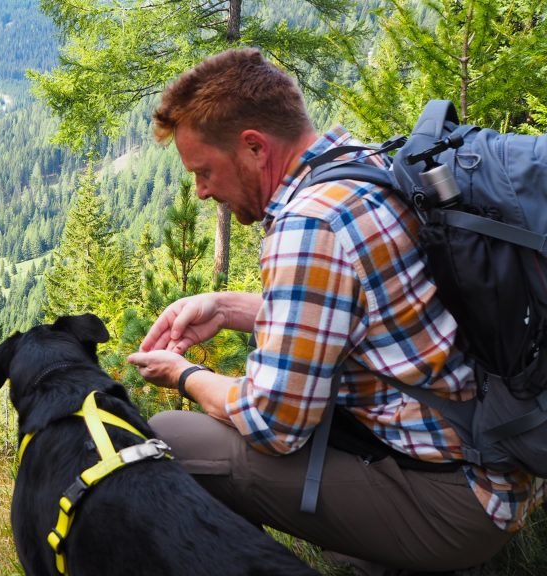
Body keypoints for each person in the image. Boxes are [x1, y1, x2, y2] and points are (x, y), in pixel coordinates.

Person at [125, 47, 545, 575]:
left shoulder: (309, 226)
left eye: (204, 171)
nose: (202, 190)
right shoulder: (364, 164)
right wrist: (226, 307)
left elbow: (272, 422)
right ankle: (367, 545)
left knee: (174, 439)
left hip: (458, 504)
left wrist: (185, 375)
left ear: (254, 146)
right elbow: (363, 314)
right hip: (502, 462)